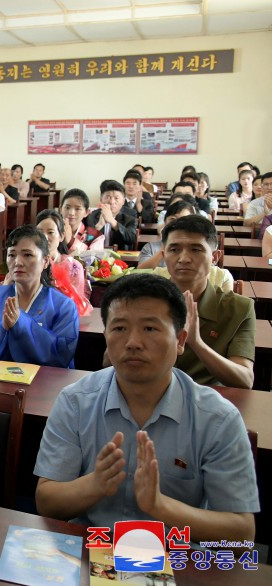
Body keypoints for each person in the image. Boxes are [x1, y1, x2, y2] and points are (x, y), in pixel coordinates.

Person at [33, 274, 258, 542]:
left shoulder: (217, 419)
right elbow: (46, 501)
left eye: (150, 328)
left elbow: (242, 534)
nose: (133, 343)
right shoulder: (76, 401)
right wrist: (94, 485)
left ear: (181, 340)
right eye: (119, 329)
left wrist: (160, 507)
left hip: (173, 557)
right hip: (91, 549)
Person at [146, 215, 254, 388]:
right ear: (164, 255)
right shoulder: (145, 301)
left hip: (210, 401)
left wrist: (196, 342)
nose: (184, 258)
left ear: (215, 257)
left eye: (196, 249)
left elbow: (245, 380)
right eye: (174, 250)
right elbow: (109, 361)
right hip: (149, 394)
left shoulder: (239, 308)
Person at [0, 225, 79, 368]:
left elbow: (62, 355)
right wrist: (2, 328)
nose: (18, 262)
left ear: (45, 261)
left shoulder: (63, 306)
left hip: (44, 385)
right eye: (12, 255)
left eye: (28, 255)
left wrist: (21, 323)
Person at [32, 209, 90, 303]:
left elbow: (76, 304)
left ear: (61, 236)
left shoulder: (73, 267)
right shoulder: (28, 263)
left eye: (50, 232)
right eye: (40, 232)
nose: (45, 237)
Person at [138, 199, 196, 269]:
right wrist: (164, 247)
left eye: (184, 220)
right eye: (173, 219)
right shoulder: (151, 248)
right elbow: (141, 272)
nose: (178, 224)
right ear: (165, 222)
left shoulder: (198, 247)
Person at [83, 180, 138, 251]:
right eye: (107, 197)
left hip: (120, 258)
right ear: (101, 199)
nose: (112, 202)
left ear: (123, 201)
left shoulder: (130, 220)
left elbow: (131, 239)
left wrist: (113, 222)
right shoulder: (90, 217)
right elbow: (85, 242)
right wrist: (98, 227)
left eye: (116, 198)